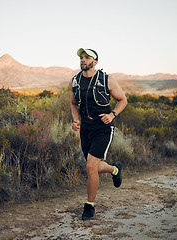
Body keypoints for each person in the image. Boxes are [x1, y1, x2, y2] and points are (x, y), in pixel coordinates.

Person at [70, 48, 127, 220]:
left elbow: (123, 100)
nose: (83, 60)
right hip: (86, 129)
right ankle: (115, 169)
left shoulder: (106, 79)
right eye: (81, 57)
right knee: (93, 166)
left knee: (90, 167)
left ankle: (89, 206)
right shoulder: (75, 81)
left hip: (103, 128)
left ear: (95, 62)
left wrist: (112, 115)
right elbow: (73, 104)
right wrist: (75, 120)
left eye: (87, 57)